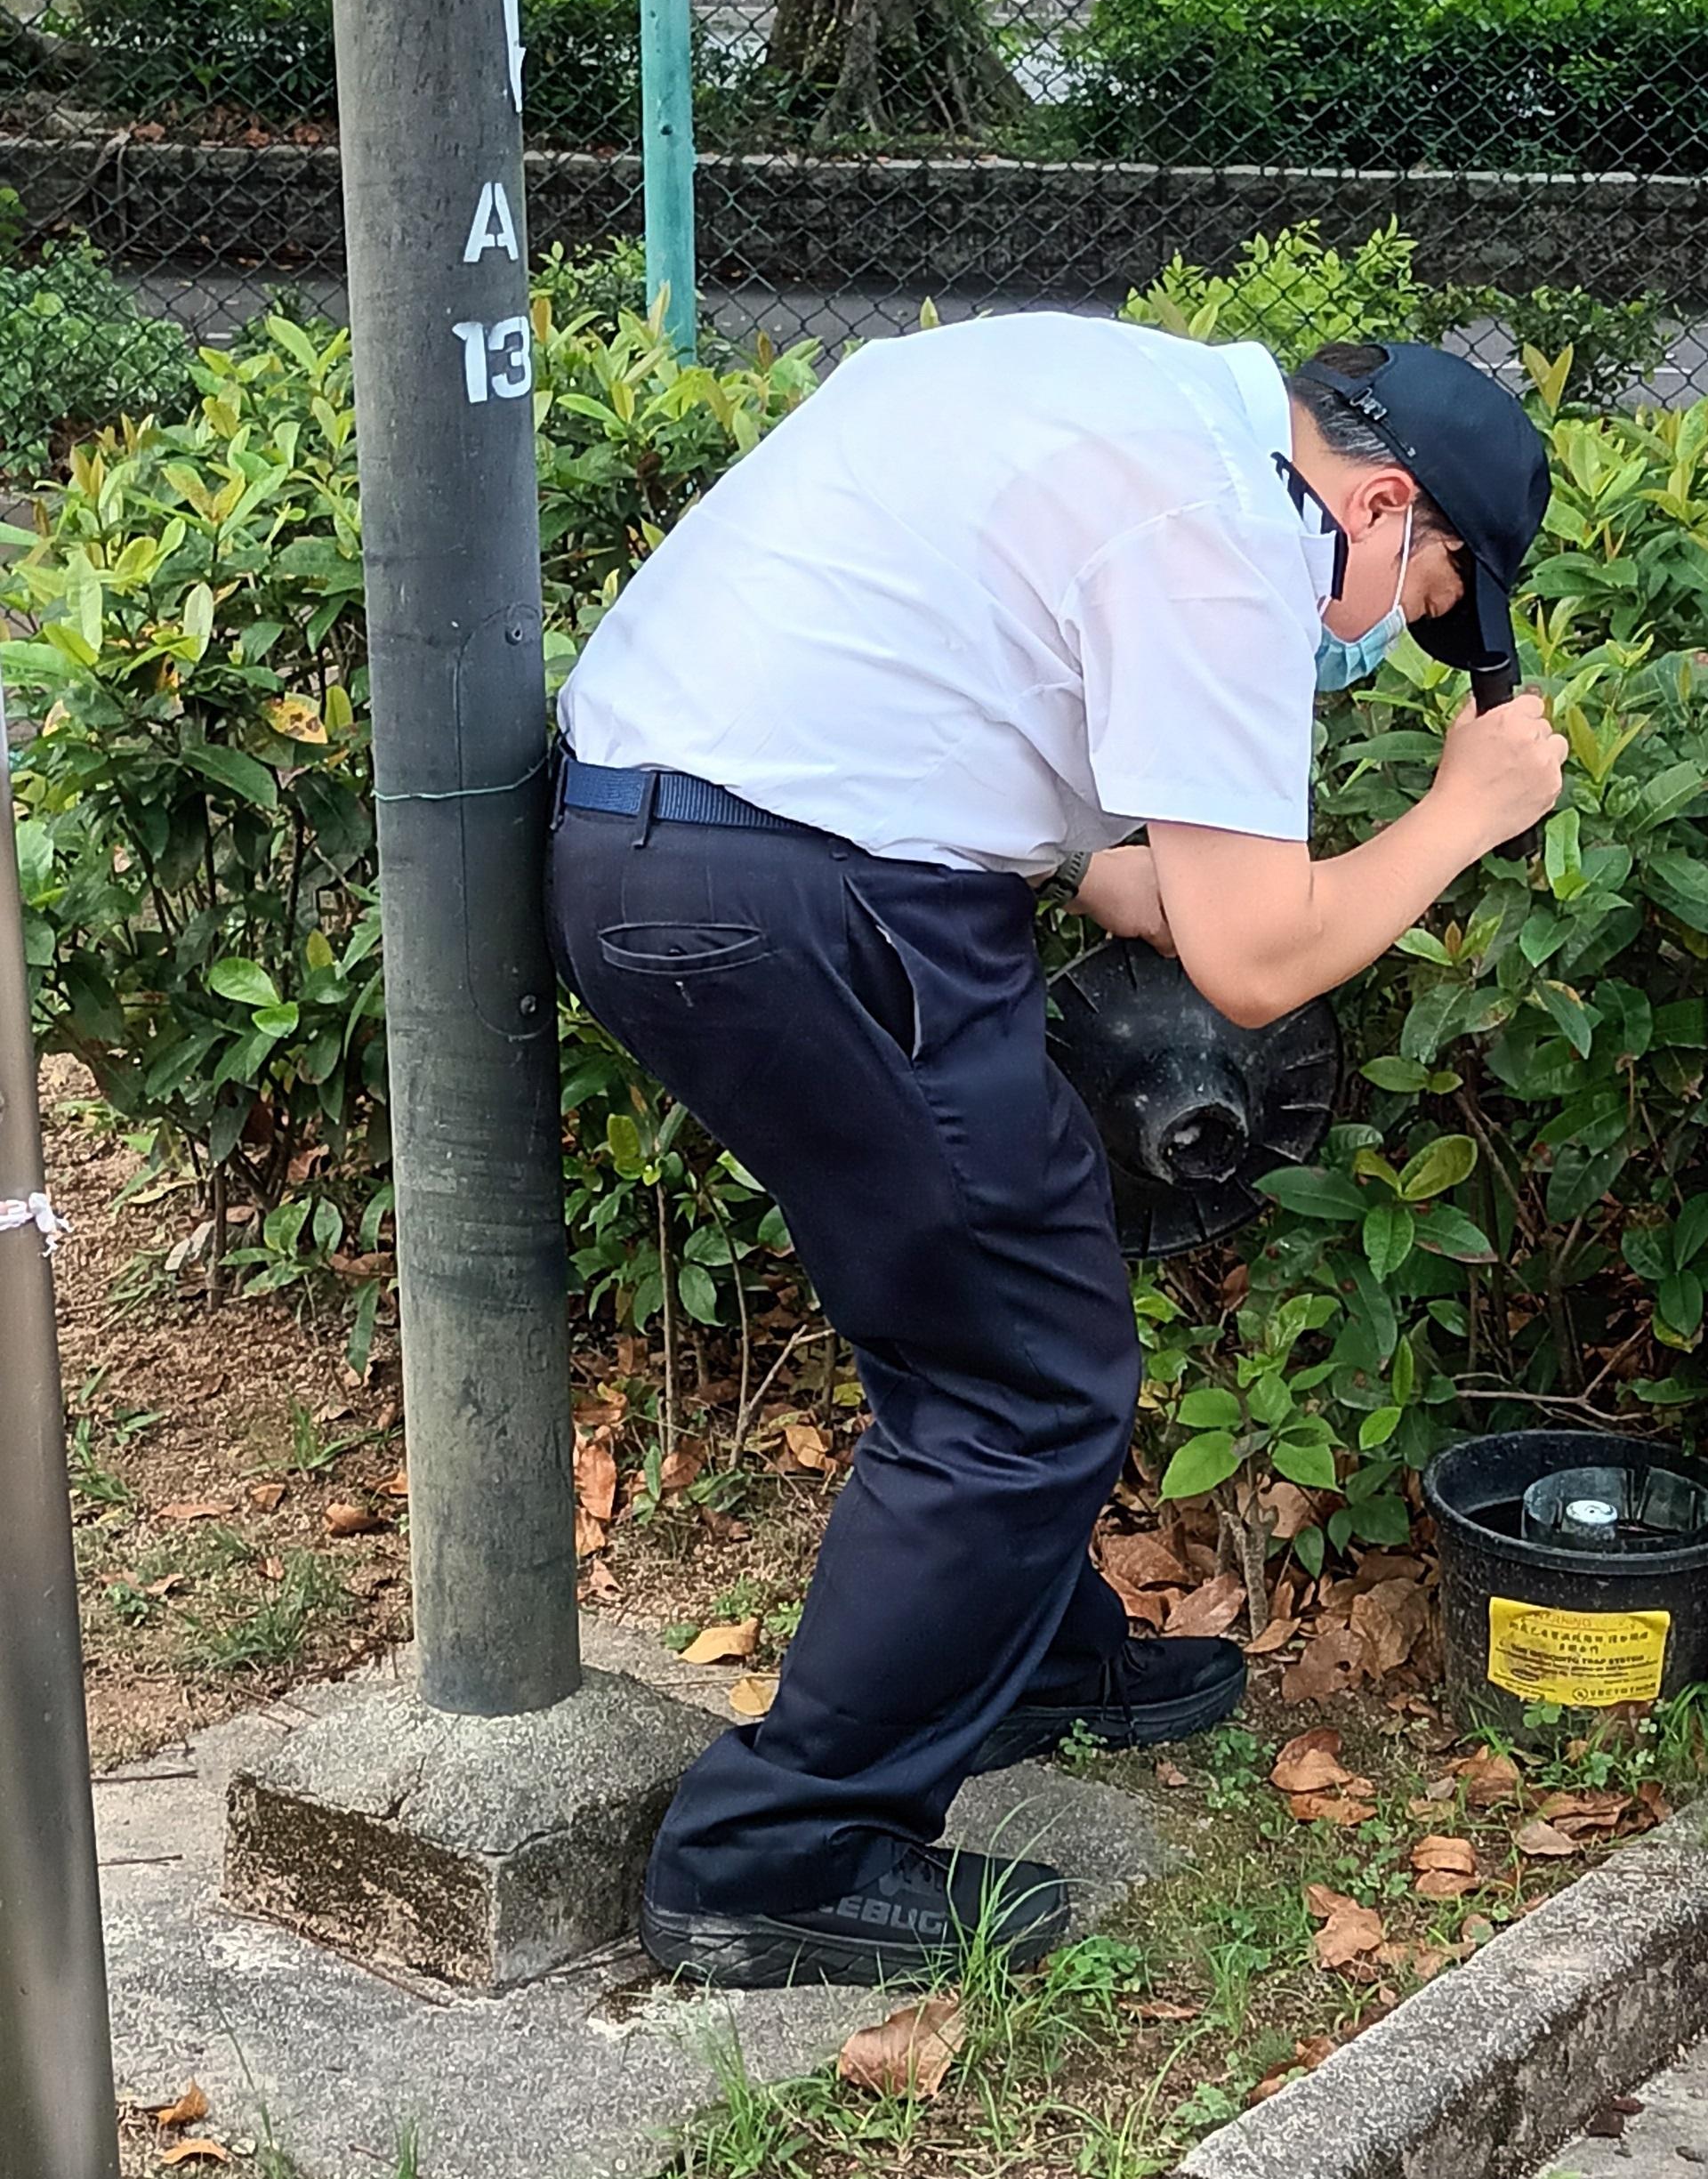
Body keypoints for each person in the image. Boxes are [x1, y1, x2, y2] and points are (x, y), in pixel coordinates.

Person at [544, 315, 1564, 1989]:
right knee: (1023, 1377)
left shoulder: (1136, 399)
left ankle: (1021, 1658)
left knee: (999, 1279)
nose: (1384, 635)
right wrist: (1465, 812)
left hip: (676, 844)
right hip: (807, 891)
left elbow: (1122, 869)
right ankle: (774, 1857)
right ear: (1385, 510)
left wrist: (1273, 884)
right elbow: (1250, 962)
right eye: (1433, 601)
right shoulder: (1232, 536)